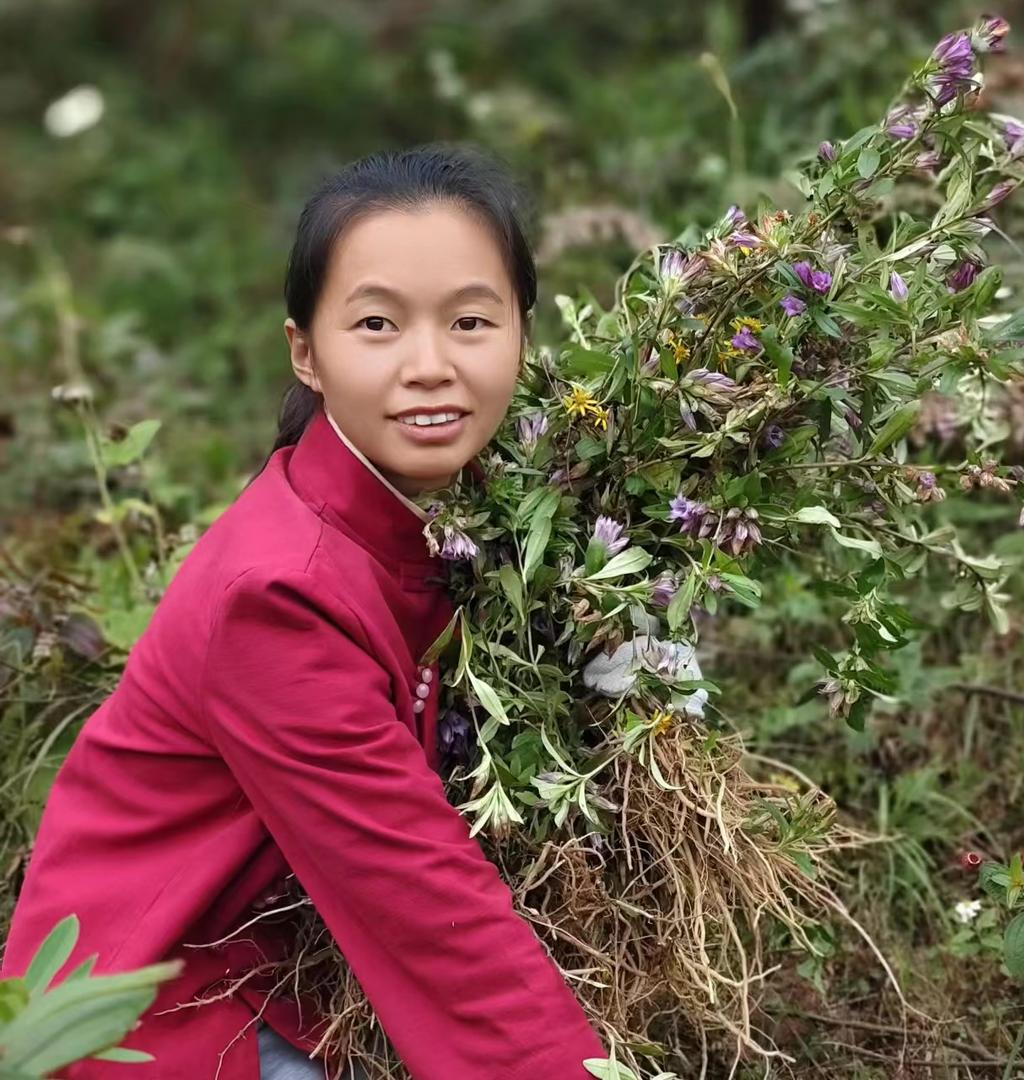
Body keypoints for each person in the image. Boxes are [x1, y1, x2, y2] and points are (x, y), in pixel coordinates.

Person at [1, 144, 607, 1079]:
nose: (430, 366)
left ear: (523, 334)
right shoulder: (277, 596)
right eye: (376, 324)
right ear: (306, 354)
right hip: (153, 1003)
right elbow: (424, 903)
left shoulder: (464, 511)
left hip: (278, 957)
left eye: (471, 321)